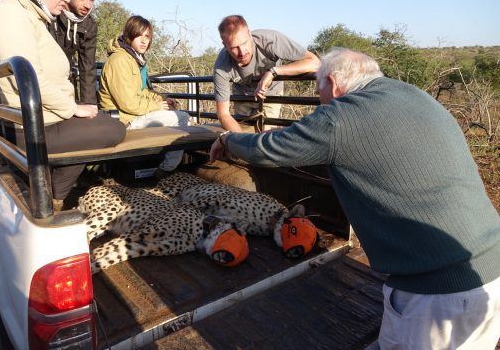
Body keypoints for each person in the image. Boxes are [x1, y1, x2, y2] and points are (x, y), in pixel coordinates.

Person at [210, 48, 500, 349]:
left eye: (319, 89)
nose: (321, 99)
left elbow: (268, 149)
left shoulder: (341, 117)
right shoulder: (414, 95)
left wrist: (227, 138)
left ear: (333, 84)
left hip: (437, 296)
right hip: (490, 268)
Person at [0, 0, 125, 210]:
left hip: (46, 113)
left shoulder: (31, 13)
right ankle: (53, 196)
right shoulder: (11, 14)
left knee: (102, 123)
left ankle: (55, 192)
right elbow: (28, 78)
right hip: (31, 123)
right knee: (113, 129)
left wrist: (85, 105)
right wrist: (72, 108)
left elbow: (86, 69)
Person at [0, 0, 98, 105]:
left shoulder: (89, 25)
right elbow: (1, 33)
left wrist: (89, 105)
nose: (88, 5)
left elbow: (88, 68)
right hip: (37, 76)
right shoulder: (49, 9)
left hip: (60, 82)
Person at [98, 15, 190, 178]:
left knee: (175, 112)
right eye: (139, 35)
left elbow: (141, 91)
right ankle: (166, 170)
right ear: (129, 35)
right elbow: (128, 103)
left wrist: (162, 99)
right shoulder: (119, 60)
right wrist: (156, 106)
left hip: (132, 116)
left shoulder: (133, 59)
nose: (144, 41)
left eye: (147, 37)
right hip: (123, 122)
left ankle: (160, 165)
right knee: (182, 118)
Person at [213, 15, 320, 132]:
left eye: (244, 43)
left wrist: (274, 71)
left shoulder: (271, 40)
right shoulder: (221, 66)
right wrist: (240, 142)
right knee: (243, 133)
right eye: (234, 47)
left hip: (271, 94)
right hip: (242, 97)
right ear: (224, 45)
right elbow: (223, 114)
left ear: (249, 34)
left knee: (265, 136)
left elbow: (314, 62)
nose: (242, 52)